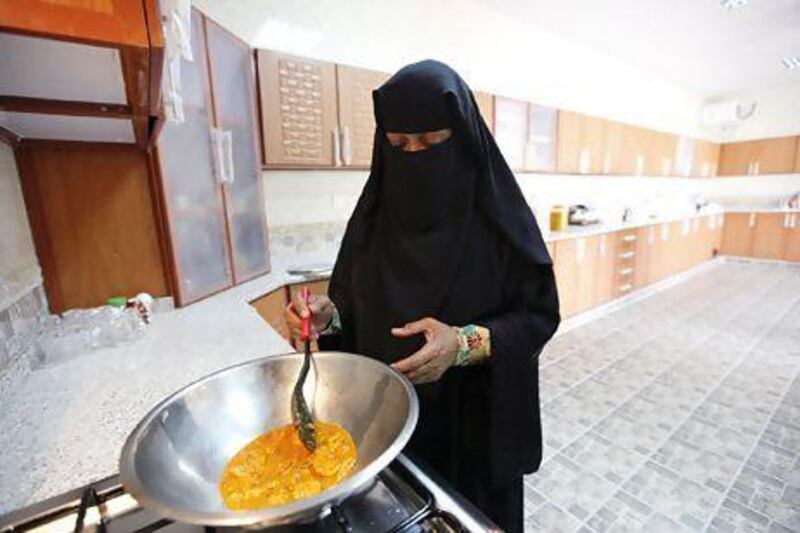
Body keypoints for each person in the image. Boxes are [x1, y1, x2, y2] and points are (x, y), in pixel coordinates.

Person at [285, 59, 560, 532]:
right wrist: (325, 318)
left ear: (465, 138)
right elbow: (350, 310)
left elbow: (538, 316)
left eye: (433, 143)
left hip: (473, 434)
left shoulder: (499, 220)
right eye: (399, 145)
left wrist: (463, 343)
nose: (415, 156)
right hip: (385, 436)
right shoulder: (373, 221)